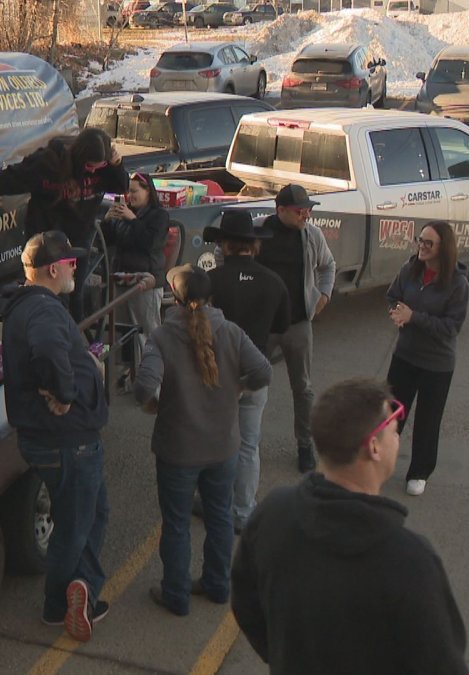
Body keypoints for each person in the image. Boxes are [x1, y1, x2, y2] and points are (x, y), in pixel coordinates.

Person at [231, 378, 469, 675]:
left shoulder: (273, 512)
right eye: (395, 430)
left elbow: (245, 601)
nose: (398, 438)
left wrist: (283, 655)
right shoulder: (410, 560)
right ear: (373, 447)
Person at [134, 265, 271, 616]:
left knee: (177, 524)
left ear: (175, 299)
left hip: (178, 451)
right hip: (223, 448)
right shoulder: (230, 331)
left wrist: (154, 406)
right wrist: (238, 388)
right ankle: (217, 585)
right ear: (210, 297)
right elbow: (263, 372)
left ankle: (176, 595)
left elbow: (144, 385)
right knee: (220, 518)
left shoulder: (164, 336)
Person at [0, 231, 111, 641]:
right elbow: (47, 349)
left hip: (55, 439)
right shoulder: (44, 311)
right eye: (70, 263)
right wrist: (66, 392)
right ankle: (60, 603)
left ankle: (82, 585)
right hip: (68, 440)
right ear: (51, 269)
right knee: (75, 525)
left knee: (93, 512)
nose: (75, 268)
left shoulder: (26, 304)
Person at [0, 128, 128, 320]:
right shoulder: (48, 163)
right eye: (90, 167)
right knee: (45, 292)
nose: (94, 171)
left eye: (99, 166)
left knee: (75, 291)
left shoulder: (106, 166)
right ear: (80, 157)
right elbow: (10, 179)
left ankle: (74, 336)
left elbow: (121, 187)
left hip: (79, 236)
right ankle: (45, 328)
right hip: (46, 238)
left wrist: (117, 165)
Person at [204, 210, 289, 532]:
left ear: (224, 245)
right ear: (253, 246)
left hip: (215, 376)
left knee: (215, 442)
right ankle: (242, 511)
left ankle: (216, 505)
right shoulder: (274, 282)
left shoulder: (210, 282)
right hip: (254, 375)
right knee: (248, 446)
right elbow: (282, 327)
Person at [385, 221, 469, 496]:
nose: (421, 247)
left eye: (428, 243)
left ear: (443, 248)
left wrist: (413, 318)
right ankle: (379, 461)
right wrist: (397, 312)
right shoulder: (409, 270)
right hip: (405, 357)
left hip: (437, 365)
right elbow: (392, 296)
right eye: (419, 240)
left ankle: (419, 472)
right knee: (391, 414)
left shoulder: (458, 284)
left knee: (428, 420)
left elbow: (450, 328)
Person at [256, 184, 336, 473]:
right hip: (263, 325)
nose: (306, 214)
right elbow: (227, 254)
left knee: (302, 388)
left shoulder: (311, 235)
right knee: (252, 384)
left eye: (308, 209)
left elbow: (328, 265)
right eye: (299, 210)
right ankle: (247, 442)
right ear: (280, 211)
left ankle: (305, 445)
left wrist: (324, 295)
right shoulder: (259, 232)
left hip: (298, 324)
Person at [100, 172, 170, 385]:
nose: (130, 196)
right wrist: (106, 222)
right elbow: (105, 242)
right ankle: (128, 374)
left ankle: (152, 377)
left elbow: (151, 243)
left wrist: (133, 220)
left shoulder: (159, 216)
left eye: (134, 191)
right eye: (128, 191)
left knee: (146, 331)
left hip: (145, 281)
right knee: (123, 330)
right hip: (121, 278)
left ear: (148, 191)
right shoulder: (124, 214)